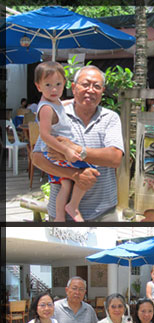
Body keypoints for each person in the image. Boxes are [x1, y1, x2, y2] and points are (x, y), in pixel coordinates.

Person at [32, 65, 124, 222]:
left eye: (96, 86)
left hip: (103, 211)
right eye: (85, 84)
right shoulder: (56, 113)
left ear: (102, 91)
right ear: (73, 88)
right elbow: (37, 157)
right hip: (61, 215)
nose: (90, 90)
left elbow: (115, 158)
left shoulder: (110, 118)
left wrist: (75, 150)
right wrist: (74, 175)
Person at [34, 61, 94, 222]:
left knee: (66, 184)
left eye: (58, 84)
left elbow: (62, 104)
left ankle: (59, 217)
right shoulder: (46, 109)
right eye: (48, 85)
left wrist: (72, 101)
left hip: (58, 151)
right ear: (38, 86)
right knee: (89, 172)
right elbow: (45, 135)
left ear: (65, 84)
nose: (54, 89)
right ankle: (73, 206)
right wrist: (66, 151)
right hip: (58, 151)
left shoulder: (55, 101)